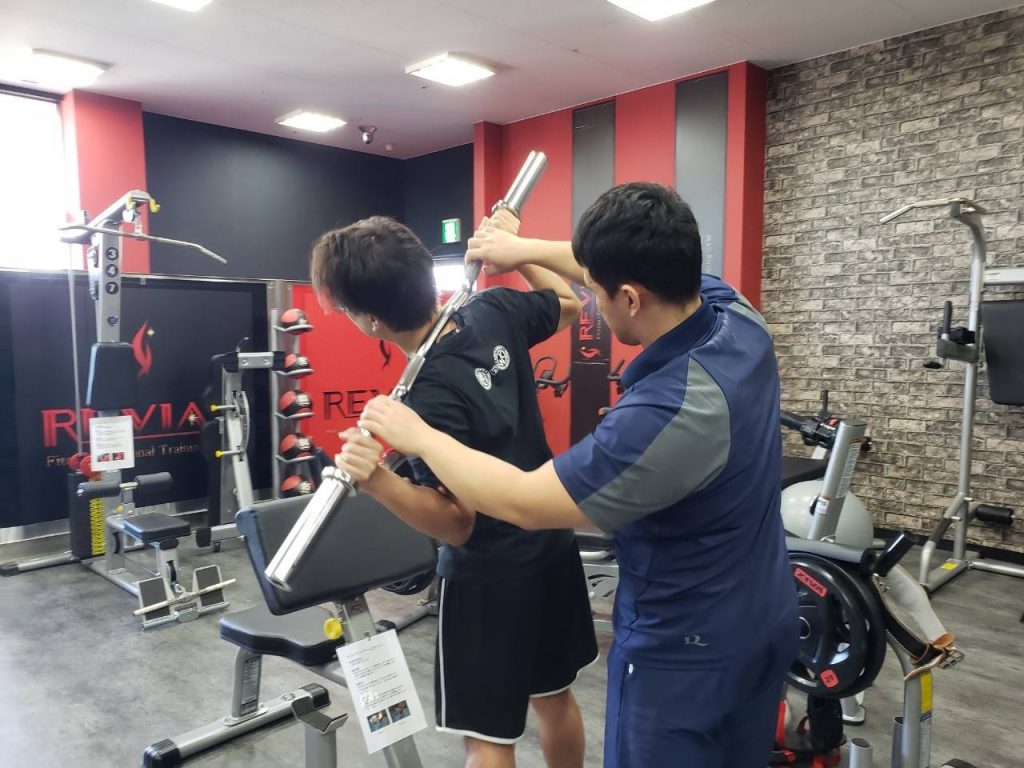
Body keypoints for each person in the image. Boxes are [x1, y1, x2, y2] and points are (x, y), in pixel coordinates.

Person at [342, 183, 800, 768]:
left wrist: (411, 446)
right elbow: (588, 285)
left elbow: (522, 502)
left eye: (598, 292)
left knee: (491, 740)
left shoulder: (661, 415)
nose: (592, 302)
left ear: (629, 298)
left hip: (686, 646)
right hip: (763, 611)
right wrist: (520, 248)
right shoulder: (735, 311)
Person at [311, 211, 599, 768]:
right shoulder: (491, 310)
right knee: (554, 698)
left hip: (489, 575)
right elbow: (568, 304)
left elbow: (457, 523)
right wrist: (517, 250)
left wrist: (377, 480)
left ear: (370, 321)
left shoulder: (422, 398)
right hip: (551, 543)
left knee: (486, 739)